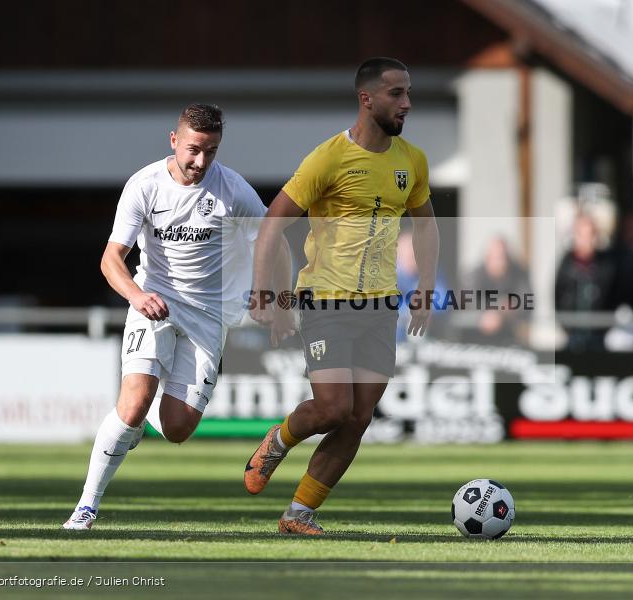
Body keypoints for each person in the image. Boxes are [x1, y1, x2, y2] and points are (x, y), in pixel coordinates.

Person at [63, 104, 293, 530]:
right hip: (154, 303)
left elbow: (275, 245)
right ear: (174, 140)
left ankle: (134, 425)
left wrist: (274, 299)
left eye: (211, 151)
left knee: (177, 428)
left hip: (209, 316)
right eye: (193, 150)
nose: (201, 162)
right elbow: (111, 259)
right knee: (131, 405)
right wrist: (136, 294)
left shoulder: (234, 191)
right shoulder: (144, 185)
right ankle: (86, 508)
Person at [245, 57, 439, 535]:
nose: (407, 103)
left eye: (408, 92)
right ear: (366, 98)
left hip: (380, 306)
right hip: (326, 300)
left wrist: (426, 286)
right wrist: (264, 293)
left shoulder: (411, 160)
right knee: (332, 408)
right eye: (396, 93)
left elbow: (427, 224)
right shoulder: (328, 157)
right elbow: (274, 222)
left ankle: (299, 514)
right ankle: (279, 439)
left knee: (358, 418)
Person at [554, 212, 617, 351]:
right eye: (582, 235)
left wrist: (605, 327)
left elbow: (612, 297)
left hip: (598, 337)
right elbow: (557, 295)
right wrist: (566, 326)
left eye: (591, 235)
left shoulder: (606, 265)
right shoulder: (567, 264)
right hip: (572, 335)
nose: (587, 240)